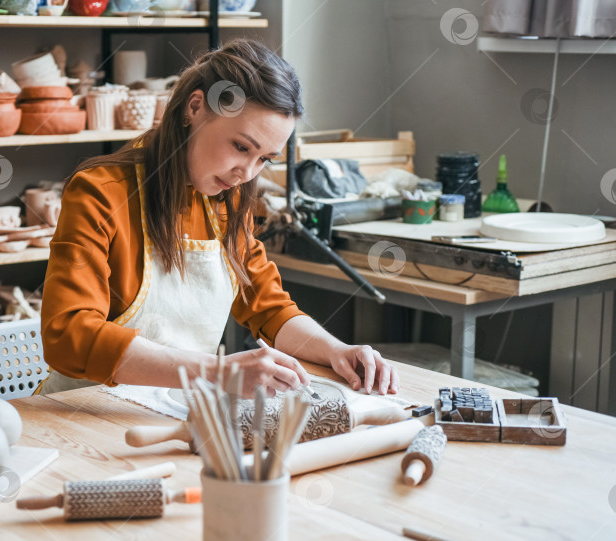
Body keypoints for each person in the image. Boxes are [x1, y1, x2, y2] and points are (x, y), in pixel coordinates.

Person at [39, 38, 399, 398]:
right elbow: (69, 336)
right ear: (195, 107)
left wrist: (336, 350)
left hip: (172, 410)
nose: (247, 171)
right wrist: (215, 372)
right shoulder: (101, 192)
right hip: (81, 413)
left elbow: (268, 306)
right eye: (241, 147)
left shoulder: (225, 200)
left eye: (264, 159)